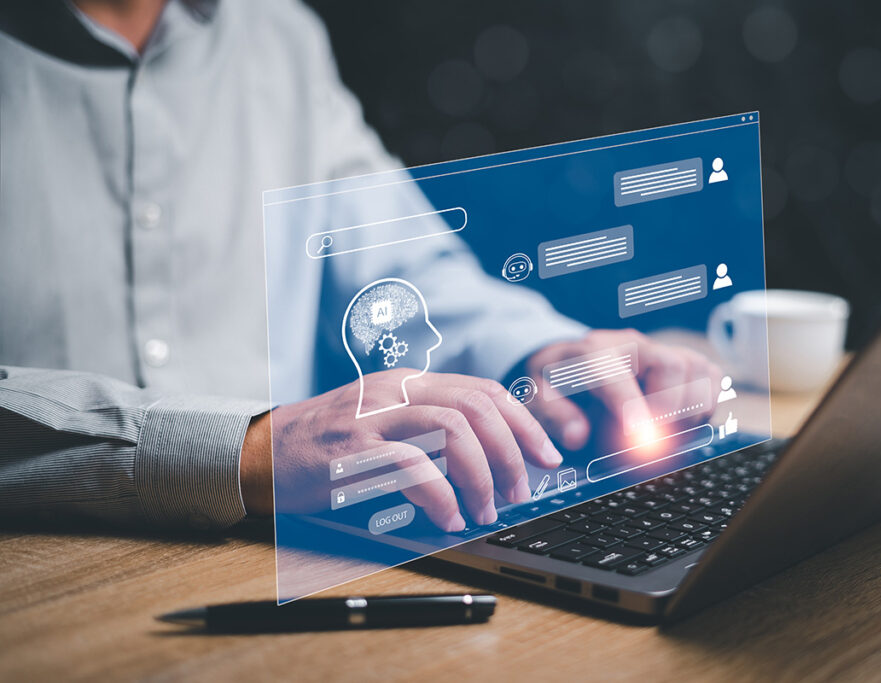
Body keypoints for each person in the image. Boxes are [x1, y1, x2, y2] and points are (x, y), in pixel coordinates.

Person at [0, 0, 717, 533]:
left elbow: (404, 265)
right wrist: (242, 449)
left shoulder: (277, 36)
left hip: (277, 558)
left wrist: (543, 352)